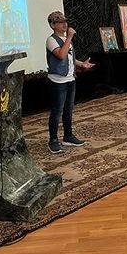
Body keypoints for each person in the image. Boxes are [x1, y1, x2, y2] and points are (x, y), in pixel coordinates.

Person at [46, 11, 94, 154]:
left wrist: (81, 64)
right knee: (57, 111)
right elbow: (61, 55)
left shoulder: (66, 39)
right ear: (52, 25)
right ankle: (53, 141)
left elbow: (68, 56)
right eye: (60, 22)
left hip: (70, 79)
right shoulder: (51, 40)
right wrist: (70, 37)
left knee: (68, 109)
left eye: (65, 21)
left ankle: (68, 136)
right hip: (58, 81)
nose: (64, 24)